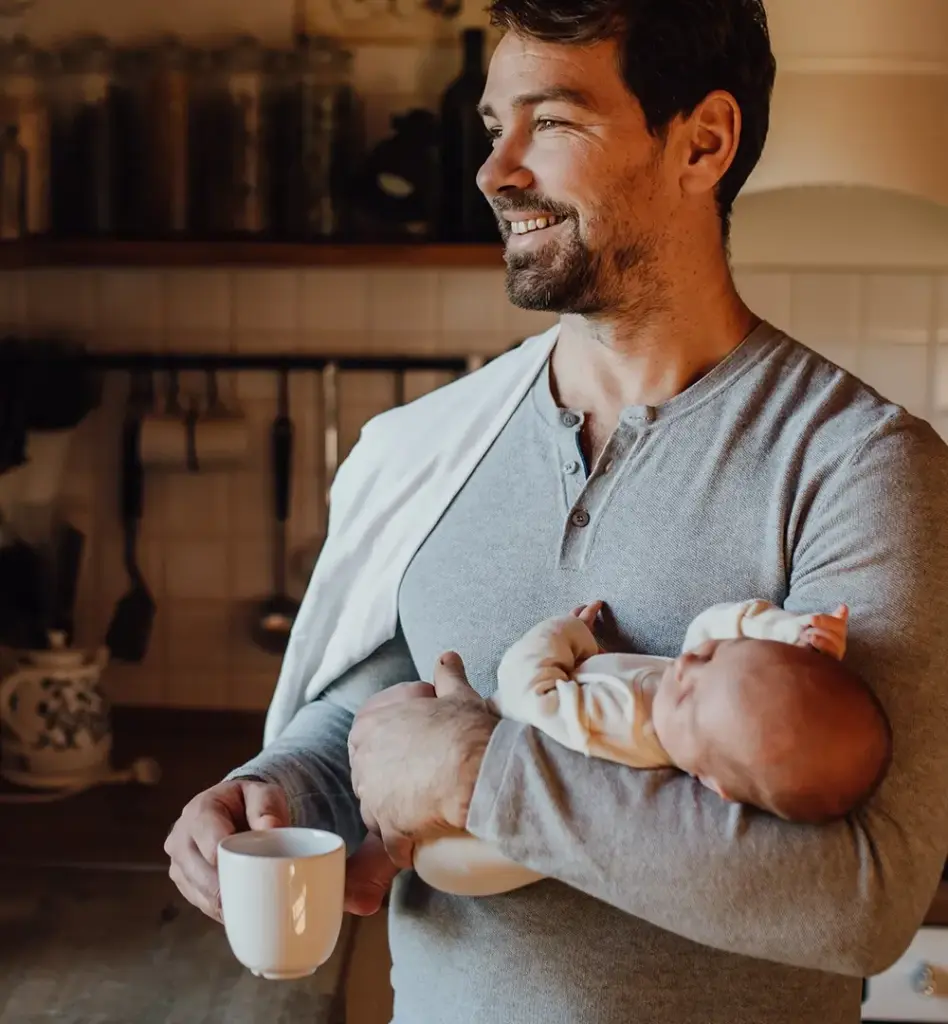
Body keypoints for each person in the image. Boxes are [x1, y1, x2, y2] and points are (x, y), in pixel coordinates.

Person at [165, 1, 948, 1022]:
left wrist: (479, 772)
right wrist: (279, 787)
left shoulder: (860, 467)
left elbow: (864, 898)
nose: (495, 171)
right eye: (497, 127)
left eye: (554, 121)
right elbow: (393, 697)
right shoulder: (435, 444)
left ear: (703, 142)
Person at [363, 598, 892, 900]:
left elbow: (527, 689)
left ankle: (374, 861)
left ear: (715, 786)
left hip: (473, 842)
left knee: (415, 697)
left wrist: (571, 635)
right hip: (482, 813)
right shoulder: (710, 728)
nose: (687, 665)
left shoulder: (624, 720)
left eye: (689, 692)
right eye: (714, 657)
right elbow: (709, 629)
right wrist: (787, 632)